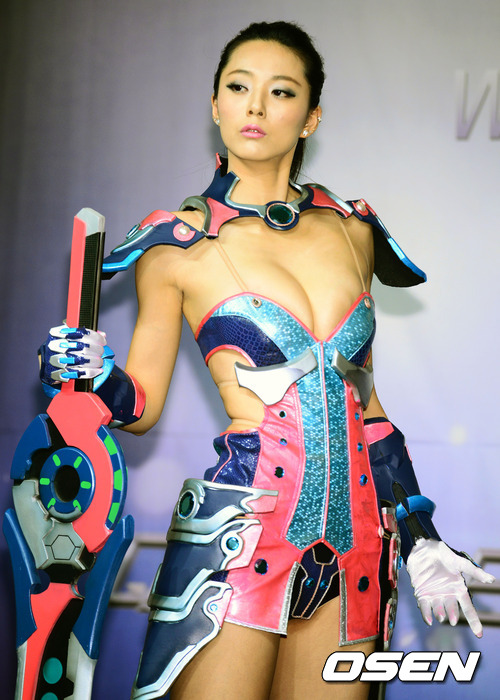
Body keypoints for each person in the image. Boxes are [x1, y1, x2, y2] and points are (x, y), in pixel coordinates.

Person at [40, 21, 494, 700]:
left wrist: (421, 535)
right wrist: (94, 376)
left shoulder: (354, 230)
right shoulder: (175, 245)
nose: (254, 106)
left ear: (311, 117)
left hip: (358, 550)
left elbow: (367, 410)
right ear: (215, 104)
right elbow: (141, 407)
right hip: (239, 540)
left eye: (280, 92)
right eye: (237, 87)